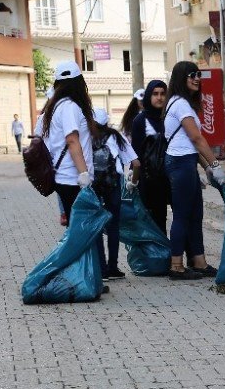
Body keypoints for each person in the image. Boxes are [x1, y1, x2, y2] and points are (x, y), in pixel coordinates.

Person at [163, 61, 225, 280]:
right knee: (182, 215)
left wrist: (206, 166)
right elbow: (196, 138)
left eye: (198, 74)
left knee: (195, 214)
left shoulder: (182, 103)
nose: (197, 78)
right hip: (180, 163)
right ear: (181, 77)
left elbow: (191, 144)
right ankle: (176, 265)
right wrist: (216, 165)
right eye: (192, 74)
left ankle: (199, 261)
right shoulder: (179, 103)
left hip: (185, 162)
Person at [33, 60, 95, 222]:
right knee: (81, 234)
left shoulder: (56, 106)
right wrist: (84, 175)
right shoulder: (69, 106)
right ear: (79, 83)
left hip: (65, 178)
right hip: (73, 179)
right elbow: (72, 141)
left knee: (78, 233)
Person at [92, 108, 140, 280]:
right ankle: (113, 267)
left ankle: (101, 270)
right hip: (113, 184)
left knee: (96, 226)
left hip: (93, 185)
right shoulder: (116, 136)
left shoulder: (86, 137)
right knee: (113, 226)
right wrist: (133, 182)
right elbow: (136, 163)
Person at [130, 80, 171, 233]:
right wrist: (133, 179)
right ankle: (159, 256)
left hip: (171, 177)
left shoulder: (170, 117)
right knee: (155, 223)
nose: (159, 98)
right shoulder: (140, 121)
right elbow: (136, 153)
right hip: (150, 181)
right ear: (149, 96)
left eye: (162, 94)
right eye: (155, 94)